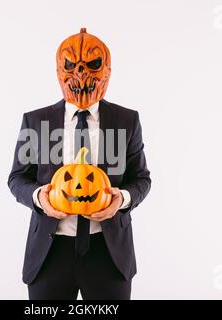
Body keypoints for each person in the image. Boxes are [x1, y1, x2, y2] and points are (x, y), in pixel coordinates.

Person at [8, 28, 151, 300]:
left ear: (107, 71)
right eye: (71, 66)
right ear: (59, 71)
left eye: (93, 65)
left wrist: (121, 199)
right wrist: (40, 197)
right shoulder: (36, 122)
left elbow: (142, 178)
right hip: (50, 253)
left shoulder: (127, 120)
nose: (81, 74)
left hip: (108, 252)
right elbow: (17, 178)